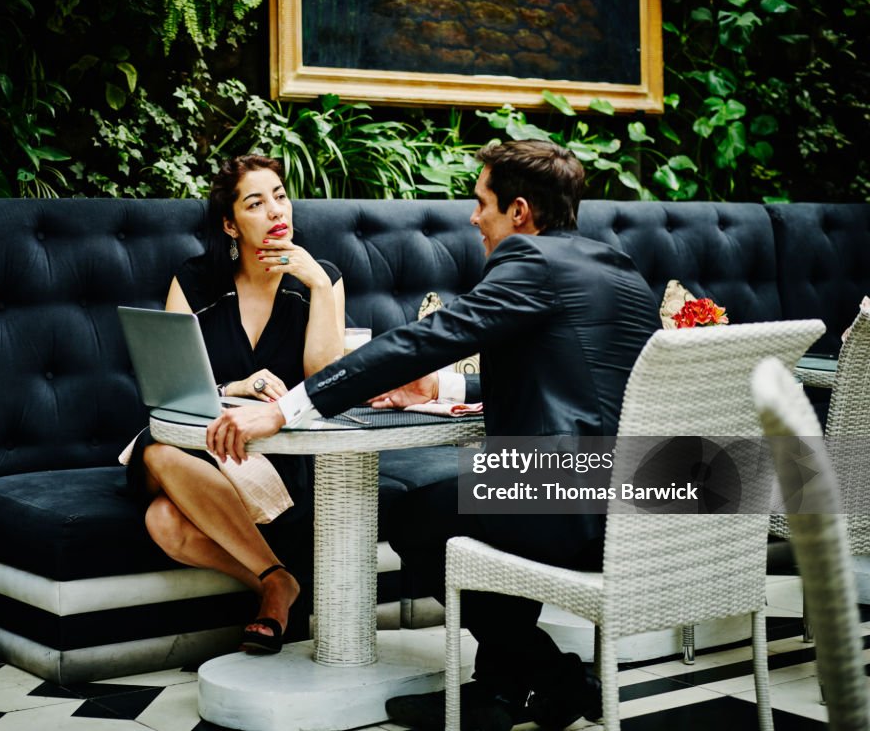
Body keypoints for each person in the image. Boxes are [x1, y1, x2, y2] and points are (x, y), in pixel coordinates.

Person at [206, 139, 660, 729]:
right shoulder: (618, 269)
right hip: (650, 497)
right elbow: (565, 376)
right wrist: (439, 392)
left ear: (519, 212)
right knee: (464, 504)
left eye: (481, 204)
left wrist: (291, 407)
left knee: (415, 515)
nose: (474, 218)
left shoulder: (530, 262)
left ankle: (549, 676)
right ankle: (505, 688)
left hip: (573, 502)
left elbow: (430, 337)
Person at [124, 154, 345, 654]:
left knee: (163, 520)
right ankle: (276, 582)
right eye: (256, 202)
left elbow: (325, 379)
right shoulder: (197, 279)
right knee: (159, 452)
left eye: (280, 196)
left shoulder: (321, 278)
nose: (275, 211)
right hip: (199, 438)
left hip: (277, 446)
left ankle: (273, 584)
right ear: (230, 223)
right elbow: (172, 381)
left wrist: (318, 286)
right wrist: (236, 386)